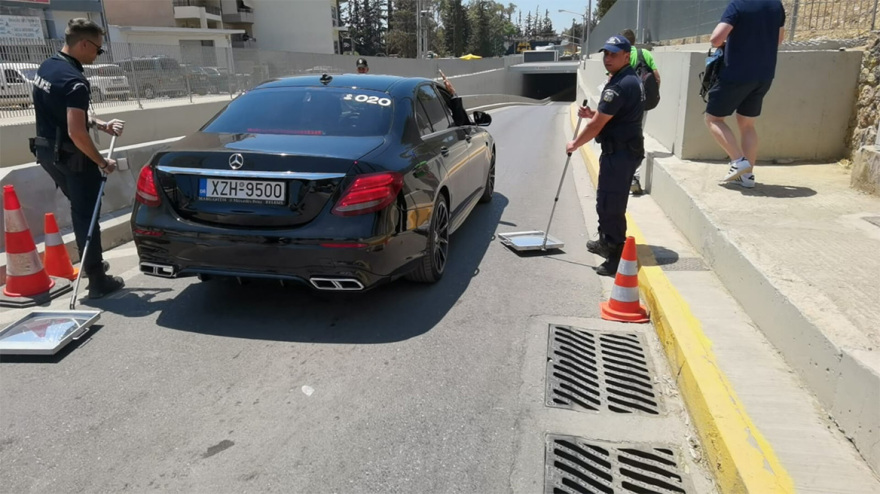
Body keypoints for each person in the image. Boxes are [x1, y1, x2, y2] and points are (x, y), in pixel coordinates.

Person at [31, 18, 125, 299]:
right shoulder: (75, 81)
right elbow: (76, 131)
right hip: (75, 157)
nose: (98, 54)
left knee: (80, 208)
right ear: (84, 44)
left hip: (48, 153)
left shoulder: (48, 67)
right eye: (98, 49)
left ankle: (90, 261)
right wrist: (101, 161)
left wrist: (100, 123)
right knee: (87, 213)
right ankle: (97, 279)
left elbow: (68, 114)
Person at [566, 35, 645, 276]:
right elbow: (610, 118)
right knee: (607, 200)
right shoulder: (627, 79)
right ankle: (605, 241)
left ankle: (615, 254)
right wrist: (593, 113)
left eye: (613, 54)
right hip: (622, 149)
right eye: (606, 54)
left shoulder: (619, 85)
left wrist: (575, 143)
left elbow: (596, 127)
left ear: (626, 55)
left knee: (611, 204)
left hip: (620, 152)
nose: (607, 58)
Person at [705, 0, 786, 188]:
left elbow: (716, 39)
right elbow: (779, 40)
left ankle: (738, 161)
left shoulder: (739, 5)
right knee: (747, 124)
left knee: (713, 119)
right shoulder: (776, 6)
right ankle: (747, 176)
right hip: (764, 75)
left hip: (736, 73)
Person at [621, 28, 660, 195]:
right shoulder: (645, 53)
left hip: (623, 104)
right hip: (641, 103)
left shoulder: (620, 54)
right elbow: (657, 77)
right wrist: (652, 96)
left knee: (621, 137)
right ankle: (634, 176)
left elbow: (611, 79)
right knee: (637, 135)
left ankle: (624, 176)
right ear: (634, 41)